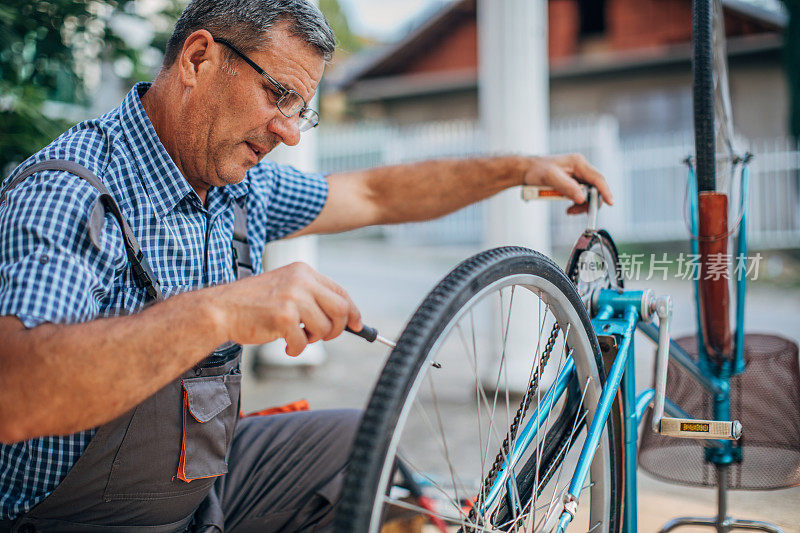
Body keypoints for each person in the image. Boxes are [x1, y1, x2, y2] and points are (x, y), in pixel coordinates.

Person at [0, 0, 613, 531]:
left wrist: (517, 171)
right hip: (69, 519)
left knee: (358, 446)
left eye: (301, 111)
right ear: (197, 59)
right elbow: (14, 393)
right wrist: (218, 312)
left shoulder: (239, 188)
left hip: (196, 500)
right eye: (278, 96)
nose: (289, 133)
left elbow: (376, 194)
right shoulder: (72, 193)